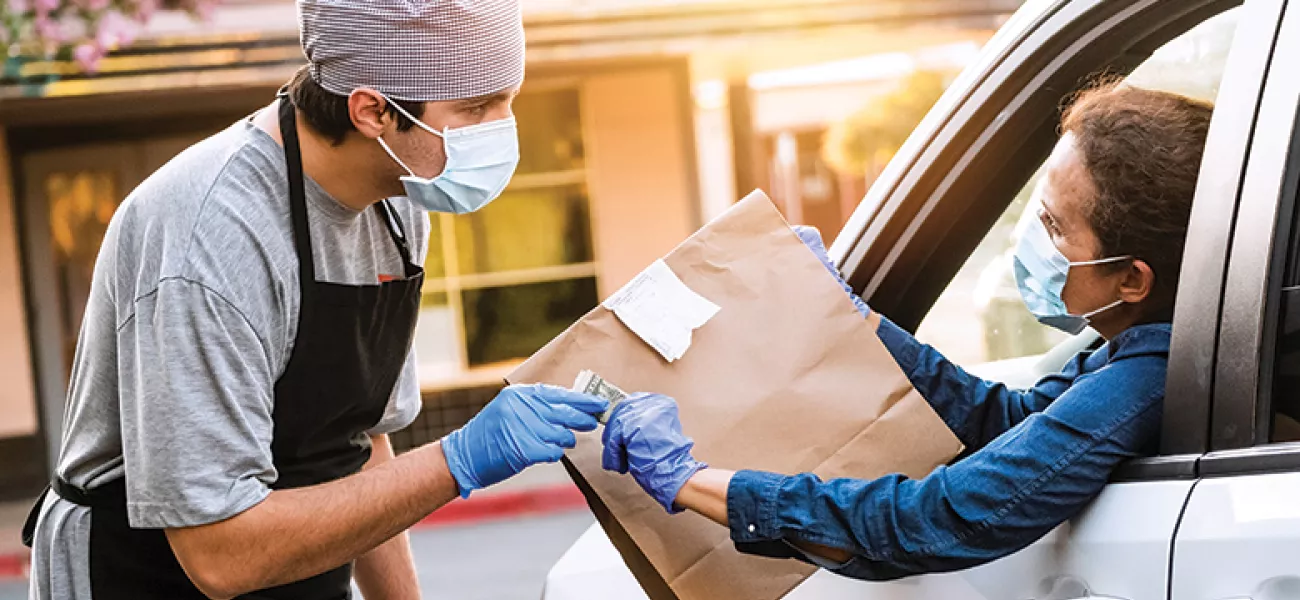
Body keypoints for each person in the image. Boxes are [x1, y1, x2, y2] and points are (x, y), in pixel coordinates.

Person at [21, 1, 608, 598]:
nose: (503, 129)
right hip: (146, 575)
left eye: (507, 100)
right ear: (372, 110)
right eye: (477, 108)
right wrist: (458, 459)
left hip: (300, 570)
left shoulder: (401, 198)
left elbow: (363, 446)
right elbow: (219, 554)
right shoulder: (211, 235)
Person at [599, 82, 1213, 579]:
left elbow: (937, 519)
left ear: (1132, 278)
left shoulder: (1151, 377)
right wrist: (859, 319)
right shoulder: (1135, 335)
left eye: (1055, 226)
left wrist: (690, 481)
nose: (1035, 238)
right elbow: (1008, 421)